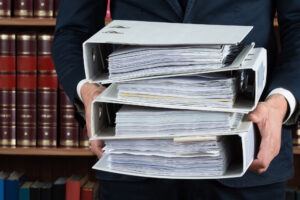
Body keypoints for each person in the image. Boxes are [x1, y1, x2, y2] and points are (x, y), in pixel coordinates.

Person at [52, 0, 300, 199]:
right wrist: (88, 92)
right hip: (134, 158)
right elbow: (72, 32)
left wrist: (280, 103)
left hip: (247, 158)